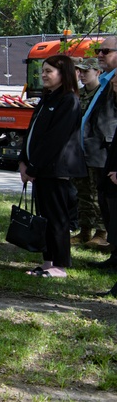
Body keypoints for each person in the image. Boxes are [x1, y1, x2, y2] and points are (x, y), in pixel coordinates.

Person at [19, 55, 85, 278]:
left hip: (56, 170)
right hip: (41, 170)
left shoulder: (68, 100)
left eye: (49, 71)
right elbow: (32, 133)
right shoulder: (48, 99)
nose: (44, 75)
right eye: (43, 71)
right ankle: (48, 262)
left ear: (63, 74)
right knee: (44, 217)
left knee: (57, 218)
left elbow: (54, 140)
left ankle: (60, 265)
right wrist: (23, 161)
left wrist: (34, 167)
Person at [86, 38, 117, 270]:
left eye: (105, 51)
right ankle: (114, 254)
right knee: (106, 203)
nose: (100, 54)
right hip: (100, 152)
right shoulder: (106, 79)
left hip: (109, 152)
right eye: (98, 50)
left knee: (111, 205)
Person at [72, 57, 106, 248]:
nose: (82, 75)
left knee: (96, 193)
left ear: (98, 72)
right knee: (82, 192)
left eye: (87, 71)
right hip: (79, 151)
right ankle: (84, 231)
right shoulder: (78, 94)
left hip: (96, 151)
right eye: (81, 71)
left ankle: (102, 232)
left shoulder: (104, 94)